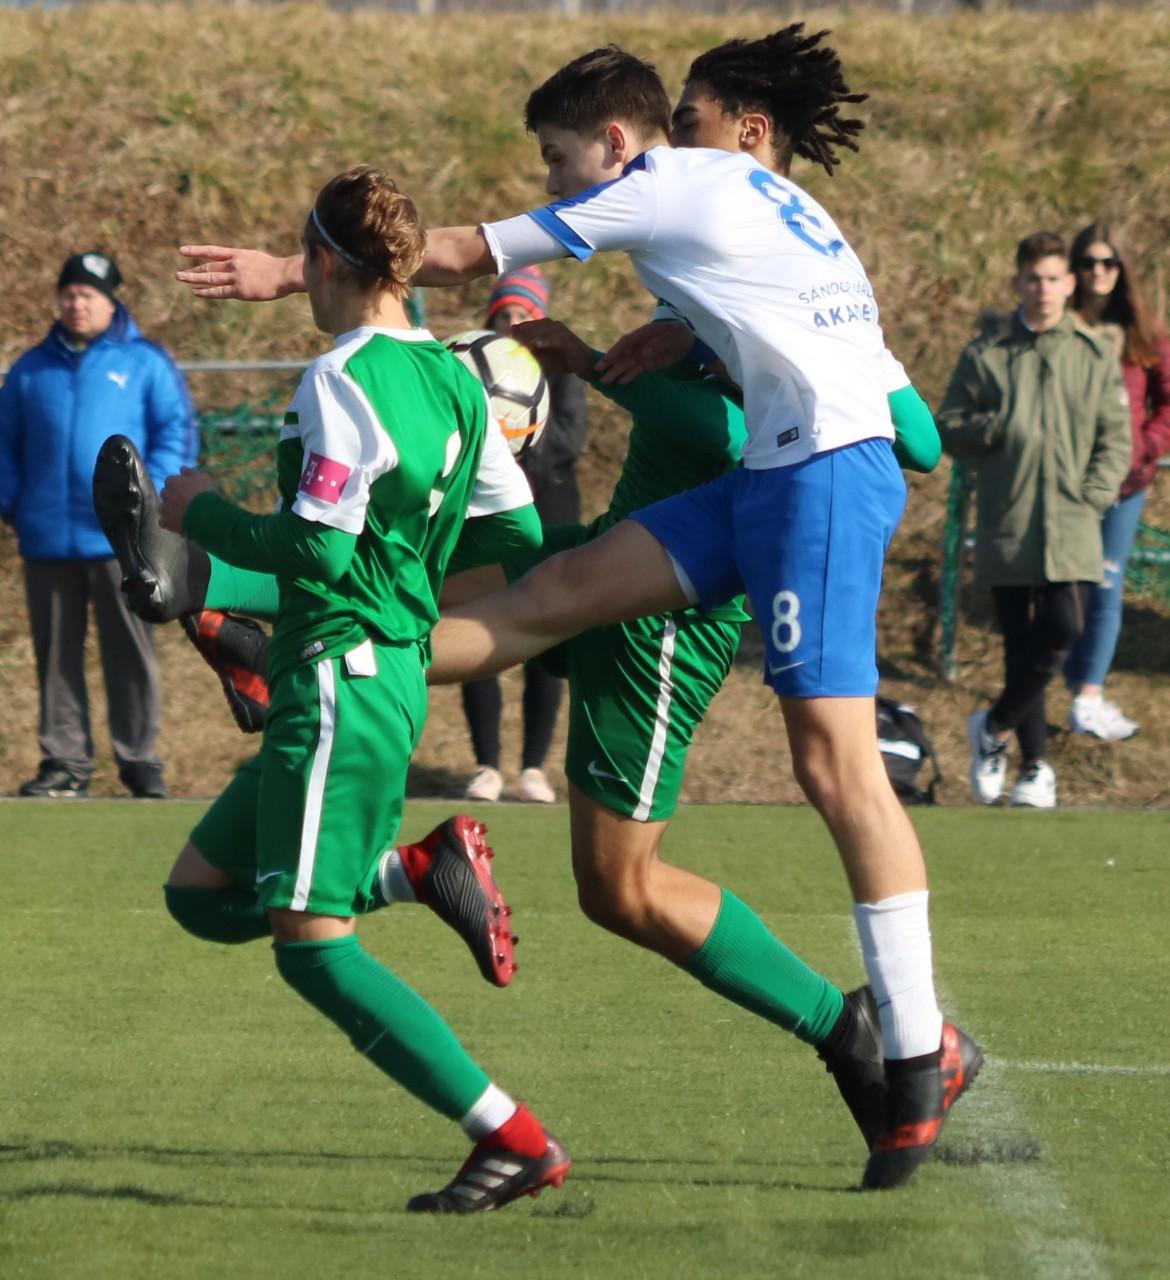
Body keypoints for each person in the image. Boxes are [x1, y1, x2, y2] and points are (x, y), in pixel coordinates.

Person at [172, 34, 984, 1191]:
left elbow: (463, 251)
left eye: (686, 118)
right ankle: (276, 639)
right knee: (543, 596)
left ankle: (909, 1045)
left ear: (709, 133)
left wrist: (289, 269)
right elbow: (917, 433)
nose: (666, 140)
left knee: (828, 767)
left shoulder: (676, 181)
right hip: (764, 485)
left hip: (797, 494)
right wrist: (699, 343)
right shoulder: (791, 233)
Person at [100, 167, 569, 1213]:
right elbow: (518, 528)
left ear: (321, 261)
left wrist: (202, 512)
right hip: (377, 671)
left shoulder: (341, 375)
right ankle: (416, 870)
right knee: (199, 892)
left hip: (338, 680)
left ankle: (513, 1138)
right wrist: (403, 573)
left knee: (311, 952)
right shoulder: (453, 375)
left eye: (301, 260)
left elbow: (316, 550)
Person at [938, 230, 1131, 807]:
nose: (1043, 289)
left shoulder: (1093, 354)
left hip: (1072, 520)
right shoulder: (987, 354)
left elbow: (1115, 440)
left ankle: (994, 725)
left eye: (1052, 278)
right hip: (1009, 517)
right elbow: (949, 423)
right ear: (1017, 283)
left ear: (1069, 284)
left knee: (1064, 629)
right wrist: (993, 427)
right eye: (1033, 279)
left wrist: (1094, 496)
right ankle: (1035, 769)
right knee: (1020, 647)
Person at [0, 251, 194, 799]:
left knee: (130, 650)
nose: (77, 304)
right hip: (47, 538)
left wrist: (146, 502)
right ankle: (64, 762)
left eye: (88, 294)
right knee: (56, 656)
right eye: (69, 293)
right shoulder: (31, 369)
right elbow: (4, 441)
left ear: (111, 302)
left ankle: (139, 760)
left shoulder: (145, 364)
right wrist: (15, 500)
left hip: (122, 542)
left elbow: (174, 433)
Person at [461, 266, 588, 804]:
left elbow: (570, 437)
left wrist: (513, 447)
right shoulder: (474, 365)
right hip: (483, 509)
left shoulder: (559, 369)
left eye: (522, 313)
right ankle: (487, 765)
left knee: (545, 631)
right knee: (475, 625)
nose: (512, 323)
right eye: (503, 314)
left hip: (549, 505)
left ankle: (533, 767)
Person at [1062, 223, 1170, 740]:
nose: (1098, 272)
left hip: (1126, 484)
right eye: (1088, 262)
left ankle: (1089, 695)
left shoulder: (1142, 332)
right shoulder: (1058, 326)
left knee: (1106, 584)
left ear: (1122, 269)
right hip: (1066, 481)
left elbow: (1167, 400)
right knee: (1062, 586)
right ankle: (1057, 681)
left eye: (1108, 263)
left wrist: (1146, 445)